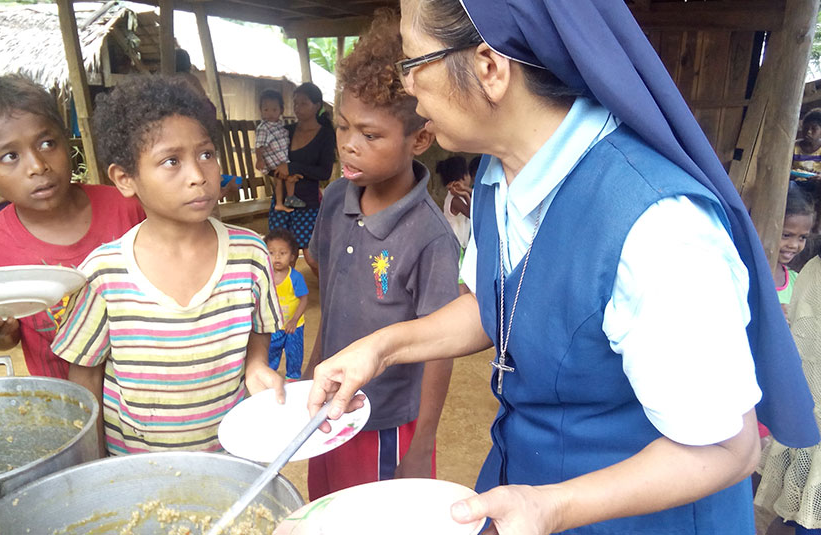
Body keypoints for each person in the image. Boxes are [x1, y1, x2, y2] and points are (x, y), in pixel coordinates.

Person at [306, 1, 818, 534]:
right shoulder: (496, 177)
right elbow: (494, 306)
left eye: (412, 65)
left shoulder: (659, 228)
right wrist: (382, 348)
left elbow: (729, 449)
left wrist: (552, 506)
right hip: (525, 489)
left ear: (489, 67)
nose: (408, 88)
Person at [51, 76, 284, 455]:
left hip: (231, 457)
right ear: (125, 179)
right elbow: (85, 372)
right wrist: (93, 462)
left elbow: (259, 330)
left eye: (206, 154)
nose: (198, 176)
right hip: (136, 470)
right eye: (171, 161)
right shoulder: (104, 273)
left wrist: (255, 366)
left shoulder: (251, 254)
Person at [303, 9, 460, 501]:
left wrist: (423, 444)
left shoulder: (430, 236)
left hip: (387, 420)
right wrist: (314, 366)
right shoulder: (334, 199)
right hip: (329, 404)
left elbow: (441, 348)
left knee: (373, 516)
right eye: (343, 126)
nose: (349, 146)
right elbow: (329, 293)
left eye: (370, 135)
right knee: (326, 510)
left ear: (420, 138)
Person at [0, 74, 144, 379]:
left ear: (67, 142)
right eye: (10, 156)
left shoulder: (129, 207)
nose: (38, 165)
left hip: (152, 395)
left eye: (47, 143)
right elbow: (9, 338)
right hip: (71, 404)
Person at [755, 253, 821, 535]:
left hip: (807, 425)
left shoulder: (812, 271)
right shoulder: (815, 273)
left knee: (796, 513)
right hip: (810, 423)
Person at [267, 82, 336, 276]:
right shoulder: (285, 131)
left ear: (317, 105)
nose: (297, 108)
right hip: (280, 201)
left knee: (312, 256)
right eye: (295, 103)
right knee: (281, 253)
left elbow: (324, 173)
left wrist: (293, 168)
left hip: (308, 202)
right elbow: (272, 164)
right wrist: (282, 172)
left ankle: (329, 296)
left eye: (303, 103)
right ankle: (285, 297)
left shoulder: (325, 135)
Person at [265, 228, 308, 381]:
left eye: (282, 253)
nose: (276, 257)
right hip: (273, 325)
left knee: (294, 353)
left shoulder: (295, 277)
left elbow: (304, 299)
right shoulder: (265, 277)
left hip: (294, 327)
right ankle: (269, 378)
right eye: (271, 253)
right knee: (270, 353)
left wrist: (295, 320)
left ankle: (293, 378)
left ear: (292, 257)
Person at [256, 90, 302, 212]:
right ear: (260, 110)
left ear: (281, 110)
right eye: (266, 110)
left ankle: (284, 200)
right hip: (274, 160)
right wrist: (259, 160)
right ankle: (286, 199)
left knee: (280, 181)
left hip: (282, 159)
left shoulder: (279, 125)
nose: (270, 113)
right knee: (285, 176)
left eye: (274, 110)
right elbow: (259, 146)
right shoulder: (263, 128)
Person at [776, 182, 815, 320]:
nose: (793, 245)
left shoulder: (797, 282)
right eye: (786, 235)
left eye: (802, 237)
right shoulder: (745, 273)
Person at [436, 155, 471, 249]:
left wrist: (466, 190)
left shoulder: (457, 196)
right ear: (463, 177)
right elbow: (472, 214)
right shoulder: (455, 200)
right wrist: (466, 194)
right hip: (454, 246)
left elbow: (477, 198)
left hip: (456, 245)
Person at [794, 109, 821, 176]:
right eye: (806, 128)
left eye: (814, 129)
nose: (808, 131)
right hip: (796, 183)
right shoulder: (793, 147)